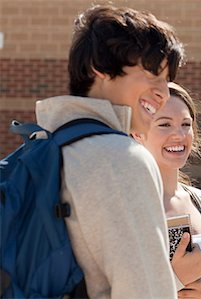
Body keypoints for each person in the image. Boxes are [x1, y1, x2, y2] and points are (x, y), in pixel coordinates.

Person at [34, 5, 185, 298]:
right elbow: (145, 290)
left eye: (167, 81)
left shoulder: (45, 143)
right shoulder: (120, 157)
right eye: (153, 74)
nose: (163, 92)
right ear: (100, 68)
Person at [132, 82, 201, 299]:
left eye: (185, 125)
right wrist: (177, 279)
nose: (178, 134)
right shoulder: (127, 204)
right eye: (164, 124)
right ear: (138, 133)